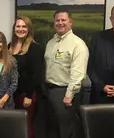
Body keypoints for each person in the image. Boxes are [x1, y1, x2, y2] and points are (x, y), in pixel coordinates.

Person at [44, 9, 89, 138]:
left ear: (70, 22)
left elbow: (78, 73)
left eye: (63, 20)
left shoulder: (78, 44)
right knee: (52, 130)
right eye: (57, 20)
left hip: (66, 93)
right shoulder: (51, 43)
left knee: (67, 131)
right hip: (50, 92)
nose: (60, 23)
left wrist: (69, 95)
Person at [8, 16, 45, 138]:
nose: (21, 29)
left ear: (29, 29)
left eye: (24, 26)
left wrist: (29, 96)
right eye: (18, 26)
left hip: (26, 95)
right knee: (14, 125)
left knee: (26, 125)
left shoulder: (35, 48)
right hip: (11, 94)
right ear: (14, 29)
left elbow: (36, 74)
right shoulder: (9, 46)